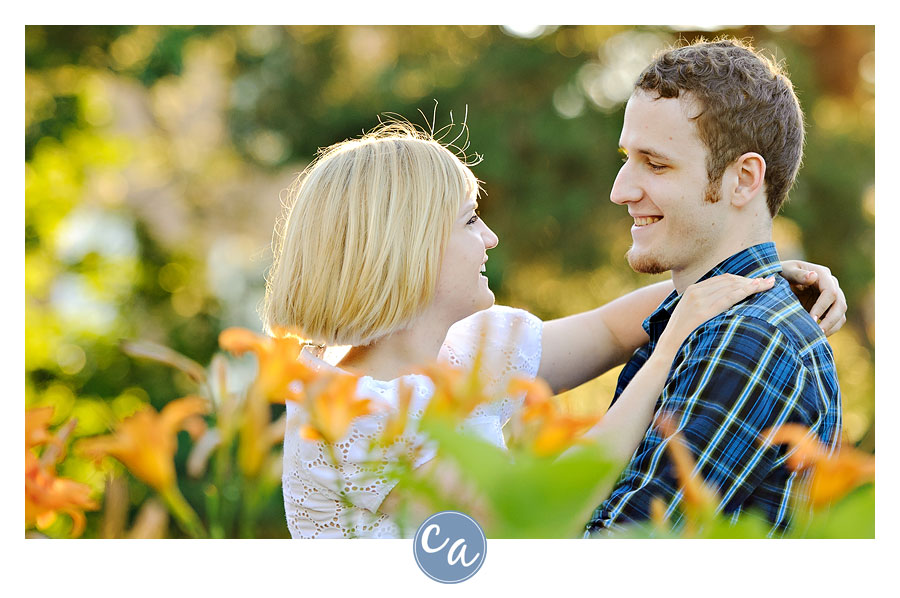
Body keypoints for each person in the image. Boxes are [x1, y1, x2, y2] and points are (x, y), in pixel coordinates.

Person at [263, 122, 844, 539]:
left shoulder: (473, 354)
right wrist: (671, 347)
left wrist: (755, 272)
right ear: (404, 248)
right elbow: (541, 512)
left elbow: (612, 327)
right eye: (469, 220)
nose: (490, 237)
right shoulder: (347, 419)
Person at [584, 38, 843, 537]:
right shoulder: (703, 319)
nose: (621, 190)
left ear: (743, 179)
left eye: (655, 164)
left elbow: (618, 554)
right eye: (627, 157)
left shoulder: (750, 338)